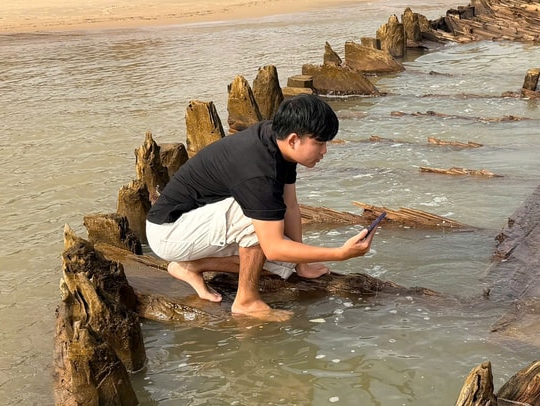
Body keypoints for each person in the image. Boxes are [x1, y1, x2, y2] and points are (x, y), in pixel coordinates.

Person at [145, 94, 373, 320]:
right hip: (169, 231)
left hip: (198, 222)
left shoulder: (277, 142)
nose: (324, 151)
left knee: (283, 265)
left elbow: (290, 205)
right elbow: (273, 246)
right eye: (320, 143)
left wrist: (302, 265)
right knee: (258, 223)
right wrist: (340, 254)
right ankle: (246, 301)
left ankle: (191, 267)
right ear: (294, 139)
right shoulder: (258, 170)